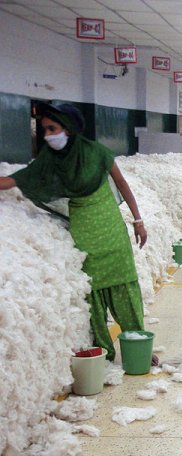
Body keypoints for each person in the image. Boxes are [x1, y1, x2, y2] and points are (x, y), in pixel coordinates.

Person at [0, 102, 149, 362]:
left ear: (68, 128)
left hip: (111, 230)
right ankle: (103, 352)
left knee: (124, 287)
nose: (47, 135)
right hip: (84, 231)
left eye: (52, 128)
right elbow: (16, 180)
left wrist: (138, 220)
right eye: (44, 130)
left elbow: (122, 183)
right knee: (95, 294)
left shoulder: (96, 152)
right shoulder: (49, 161)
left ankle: (137, 344)